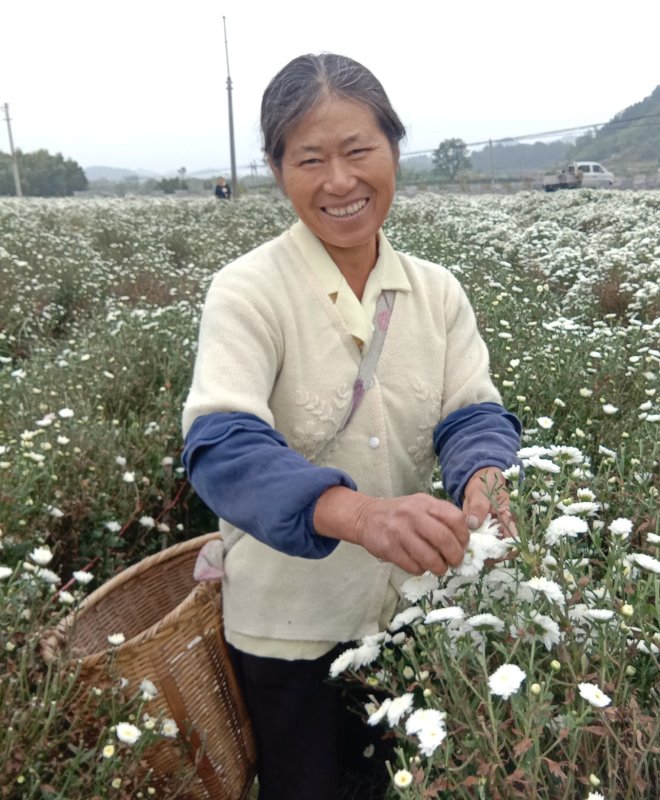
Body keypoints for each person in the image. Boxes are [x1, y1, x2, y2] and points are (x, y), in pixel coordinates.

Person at [181, 53, 521, 800]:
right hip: (289, 634)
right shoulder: (248, 291)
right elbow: (222, 447)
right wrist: (361, 514)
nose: (339, 181)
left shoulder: (435, 292)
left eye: (359, 151)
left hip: (409, 613)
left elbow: (472, 411)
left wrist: (483, 478)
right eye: (310, 158)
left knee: (408, 783)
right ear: (278, 171)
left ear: (394, 151)